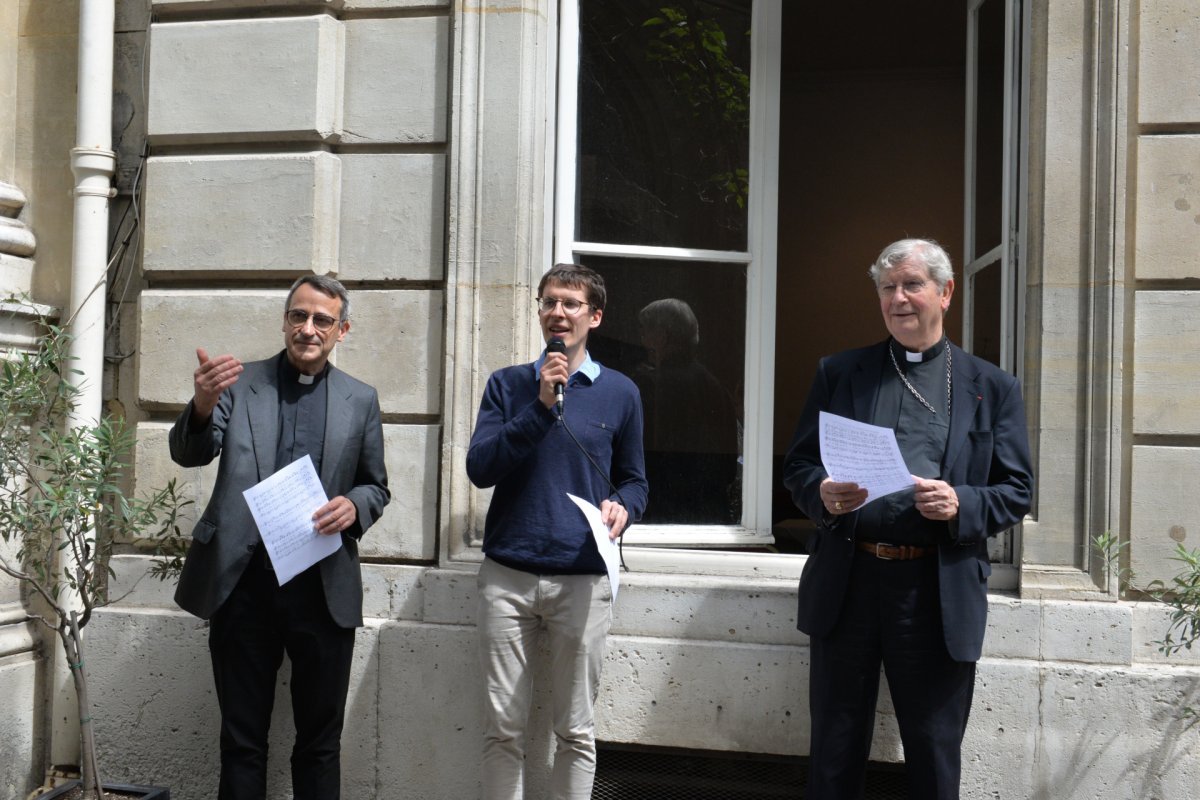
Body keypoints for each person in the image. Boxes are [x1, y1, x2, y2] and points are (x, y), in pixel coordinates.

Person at [782, 238, 1033, 799]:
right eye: (887, 288)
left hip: (933, 588)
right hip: (850, 582)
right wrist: (821, 493)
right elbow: (798, 465)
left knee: (934, 751)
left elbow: (1017, 491)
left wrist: (961, 503)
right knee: (834, 748)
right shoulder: (841, 372)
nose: (898, 298)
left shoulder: (991, 387)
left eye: (911, 285)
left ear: (945, 293)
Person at [169, 275, 390, 800]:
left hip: (322, 589)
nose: (307, 329)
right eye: (298, 315)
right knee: (242, 742)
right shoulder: (240, 385)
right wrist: (201, 403)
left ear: (342, 330)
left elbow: (376, 487)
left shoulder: (361, 399)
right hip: (242, 586)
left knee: (319, 744)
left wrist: (352, 506)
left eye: (322, 320)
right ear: (285, 319)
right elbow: (189, 452)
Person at [466, 262, 648, 800]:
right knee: (503, 729)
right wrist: (542, 407)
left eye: (571, 303)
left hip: (583, 578)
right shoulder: (508, 385)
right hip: (508, 577)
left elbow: (636, 480)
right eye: (549, 302)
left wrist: (624, 507)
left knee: (575, 730)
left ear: (594, 316)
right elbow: (481, 468)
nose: (558, 312)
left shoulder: (622, 393)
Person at [632, 298, 740, 523]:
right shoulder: (713, 384)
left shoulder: (659, 384)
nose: (641, 341)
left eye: (644, 332)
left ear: (663, 337)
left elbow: (653, 458)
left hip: (671, 513)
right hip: (708, 510)